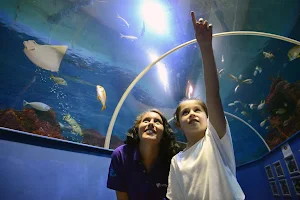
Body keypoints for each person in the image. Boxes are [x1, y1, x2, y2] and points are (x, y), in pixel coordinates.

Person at [166, 12, 245, 200]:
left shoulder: (215, 138)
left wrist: (205, 48)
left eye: (197, 110)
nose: (192, 114)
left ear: (208, 117)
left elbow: (213, 96)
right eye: (185, 112)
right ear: (178, 124)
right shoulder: (176, 161)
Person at [107, 109, 180, 200]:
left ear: (164, 132)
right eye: (146, 121)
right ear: (137, 128)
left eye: (157, 122)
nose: (151, 123)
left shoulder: (173, 159)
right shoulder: (121, 155)